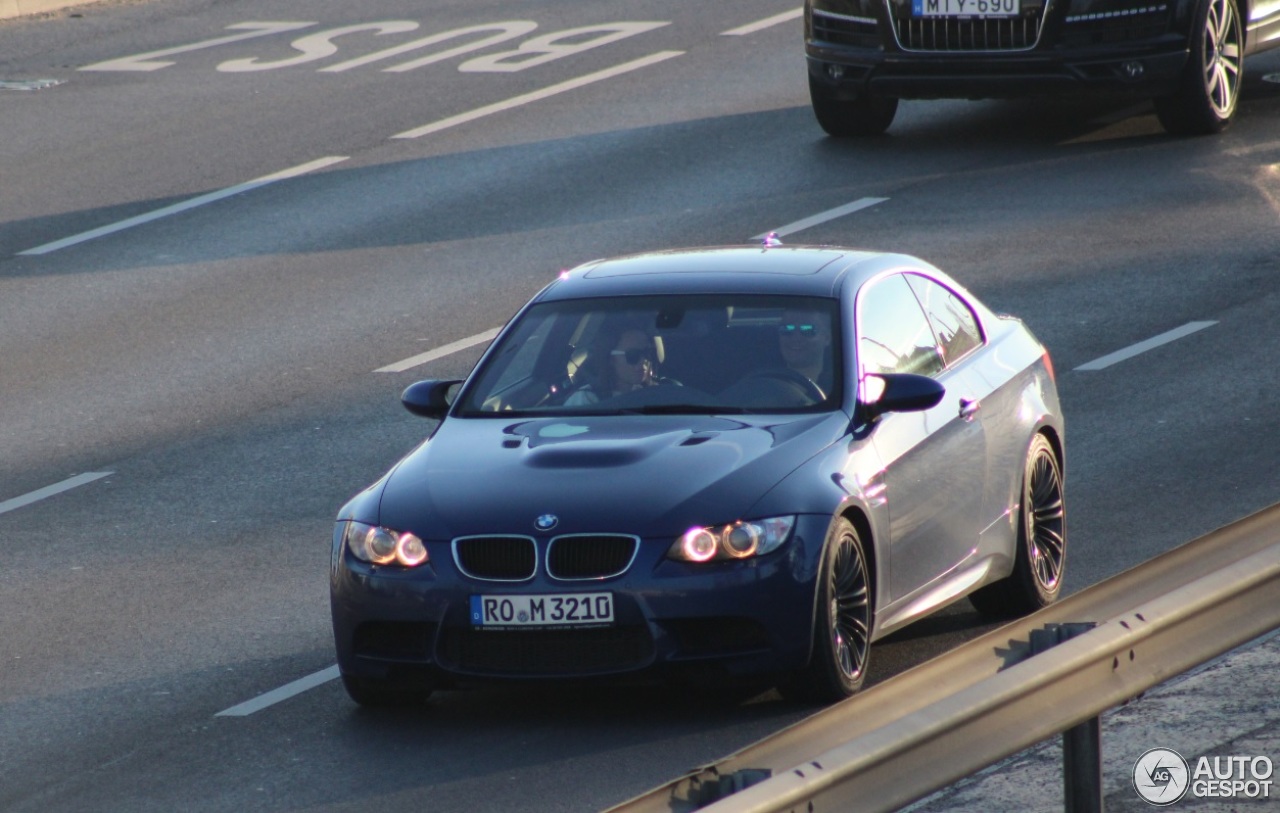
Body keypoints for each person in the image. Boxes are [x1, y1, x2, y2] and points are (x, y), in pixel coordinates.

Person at [565, 326, 660, 406]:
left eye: (647, 353)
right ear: (611, 359)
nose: (644, 360)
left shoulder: (653, 396)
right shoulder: (585, 400)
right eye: (633, 355)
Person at [776, 309, 834, 395]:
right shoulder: (763, 385)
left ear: (827, 338)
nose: (796, 338)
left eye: (808, 330)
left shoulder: (841, 386)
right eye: (787, 329)